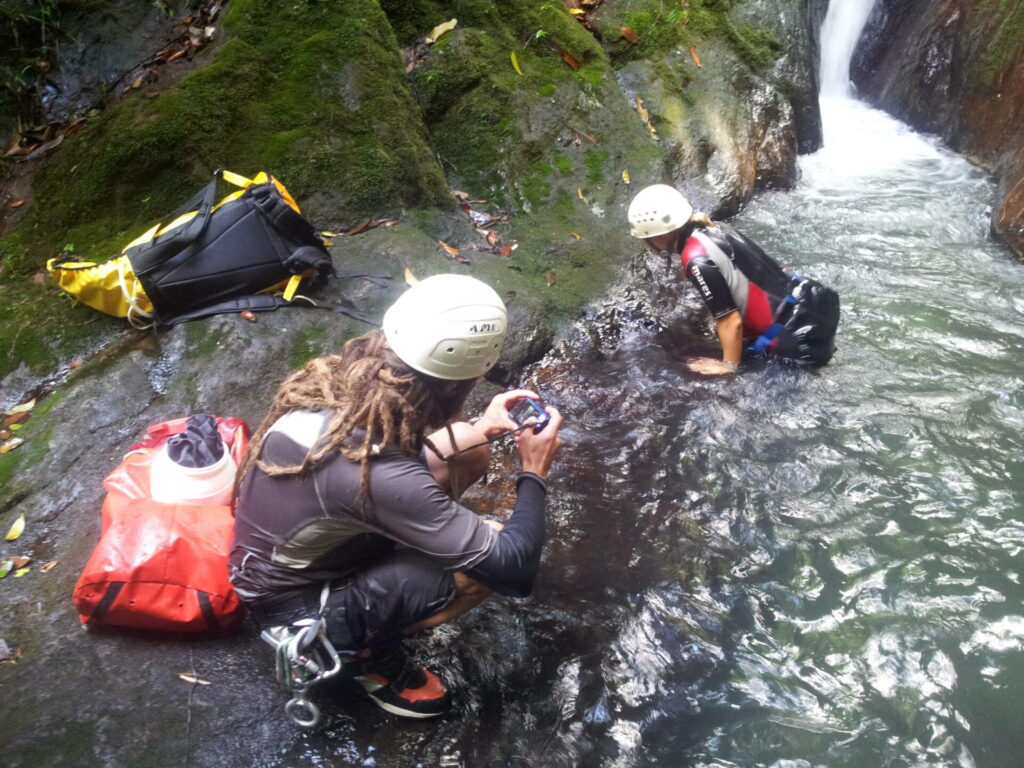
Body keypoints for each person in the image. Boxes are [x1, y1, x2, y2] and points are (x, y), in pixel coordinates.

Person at [229, 274, 562, 719]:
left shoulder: (344, 377)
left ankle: (388, 589)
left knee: (467, 442)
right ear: (453, 384)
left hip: (305, 544)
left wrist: (484, 425)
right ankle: (365, 655)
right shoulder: (378, 472)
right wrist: (533, 470)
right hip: (297, 607)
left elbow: (380, 470)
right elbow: (514, 571)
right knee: (485, 559)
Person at [627, 184, 839, 372]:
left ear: (661, 235)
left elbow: (730, 320)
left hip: (792, 336)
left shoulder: (696, 259)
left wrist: (727, 366)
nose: (646, 244)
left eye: (646, 239)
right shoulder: (713, 227)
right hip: (808, 307)